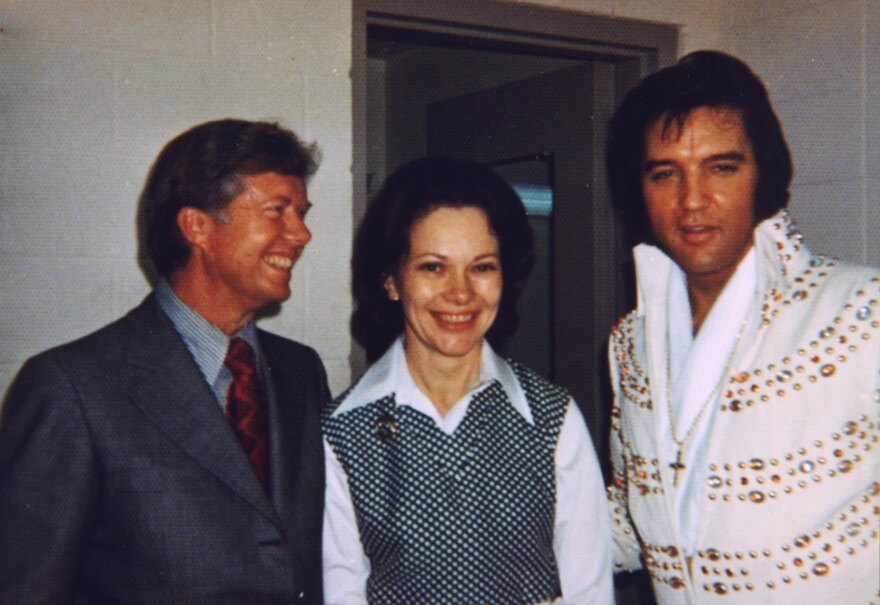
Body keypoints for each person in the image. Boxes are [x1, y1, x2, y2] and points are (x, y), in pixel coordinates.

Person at [0, 119, 329, 604]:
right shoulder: (71, 389)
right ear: (197, 226)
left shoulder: (301, 371)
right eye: (277, 211)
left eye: (301, 213)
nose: (301, 234)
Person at [605, 50, 879, 604]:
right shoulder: (630, 342)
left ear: (764, 174)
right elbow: (637, 522)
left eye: (721, 167)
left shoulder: (861, 311)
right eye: (665, 174)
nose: (692, 200)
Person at [322, 157, 614, 605]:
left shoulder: (551, 418)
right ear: (391, 281)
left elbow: (590, 594)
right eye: (433, 267)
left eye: (482, 267)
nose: (460, 292)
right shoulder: (342, 432)